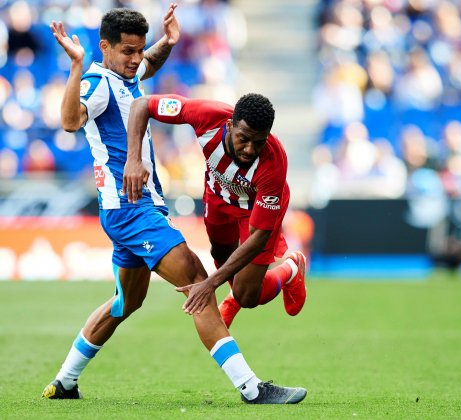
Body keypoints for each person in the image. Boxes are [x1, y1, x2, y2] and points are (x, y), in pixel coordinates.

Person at [43, 6, 306, 405]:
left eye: (139, 50)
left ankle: (64, 381)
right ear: (104, 48)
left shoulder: (126, 74)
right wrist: (77, 65)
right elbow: (69, 122)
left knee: (125, 301)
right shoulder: (98, 82)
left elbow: (148, 67)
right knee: (197, 279)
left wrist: (165, 44)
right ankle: (251, 388)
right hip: (131, 209)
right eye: (128, 51)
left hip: (126, 209)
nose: (136, 59)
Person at [124, 92, 308, 329]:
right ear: (230, 125)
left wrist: (211, 284)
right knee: (220, 253)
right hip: (217, 196)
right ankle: (235, 293)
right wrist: (133, 160)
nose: (250, 150)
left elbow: (259, 236)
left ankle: (291, 268)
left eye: (258, 142)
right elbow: (141, 105)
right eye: (243, 138)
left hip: (253, 210)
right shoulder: (206, 115)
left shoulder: (274, 163)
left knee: (248, 296)